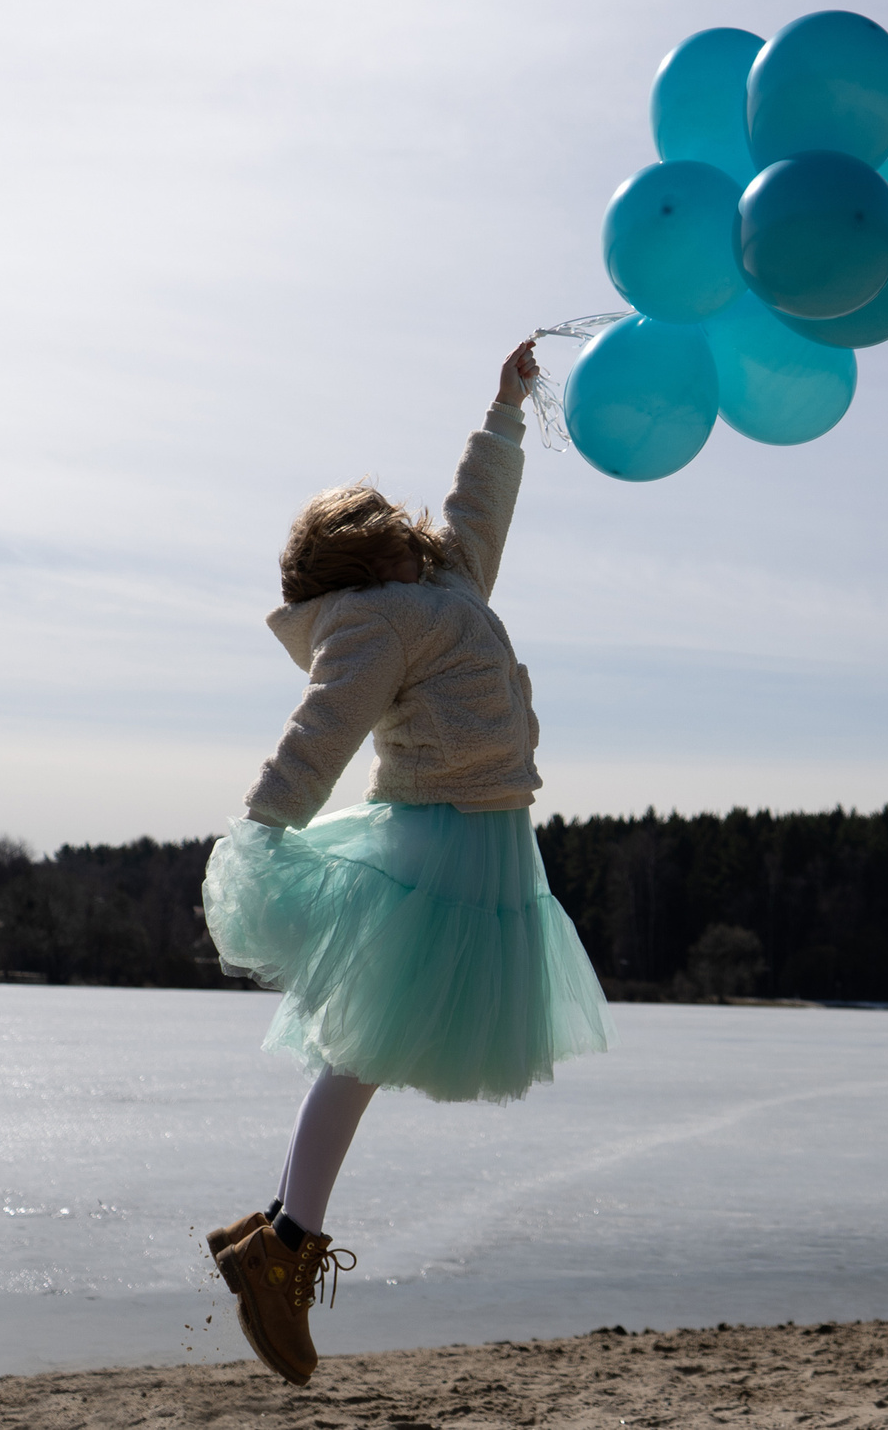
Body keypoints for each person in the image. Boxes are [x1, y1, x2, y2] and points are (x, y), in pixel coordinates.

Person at [198, 339, 613, 1386]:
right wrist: (267, 822)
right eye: (384, 530)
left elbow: (479, 507)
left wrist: (506, 409)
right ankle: (283, 1245)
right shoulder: (378, 621)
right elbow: (322, 730)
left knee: (367, 1047)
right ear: (363, 557)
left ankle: (280, 1236)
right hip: (433, 838)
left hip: (484, 838)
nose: (408, 531)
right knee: (364, 1043)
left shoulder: (448, 580)